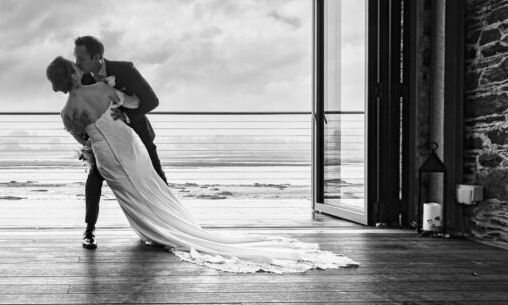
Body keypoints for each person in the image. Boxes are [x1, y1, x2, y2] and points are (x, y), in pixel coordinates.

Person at [46, 56, 357, 273]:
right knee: (149, 185)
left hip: (105, 155)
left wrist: (95, 143)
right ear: (74, 74)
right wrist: (124, 106)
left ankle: (153, 230)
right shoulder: (100, 89)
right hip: (128, 145)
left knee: (131, 196)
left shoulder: (65, 113)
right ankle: (167, 226)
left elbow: (83, 140)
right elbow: (131, 103)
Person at [73, 35, 164, 250]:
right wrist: (86, 137)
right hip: (105, 137)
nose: (77, 63)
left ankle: (167, 225)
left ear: (97, 57)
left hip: (136, 133)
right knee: (95, 176)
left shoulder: (125, 70)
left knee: (156, 176)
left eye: (81, 58)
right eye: (76, 58)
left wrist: (127, 117)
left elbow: (152, 101)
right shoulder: (81, 78)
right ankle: (89, 230)